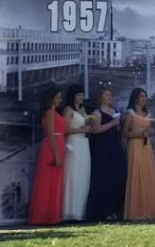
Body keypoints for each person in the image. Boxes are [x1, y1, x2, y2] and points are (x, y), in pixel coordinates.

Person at [86, 87, 126, 221]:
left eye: (111, 95)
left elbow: (118, 130)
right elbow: (95, 130)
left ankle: (113, 209)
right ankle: (103, 211)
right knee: (104, 179)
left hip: (115, 147)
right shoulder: (97, 113)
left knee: (117, 177)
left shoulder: (114, 111)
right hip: (103, 149)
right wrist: (112, 123)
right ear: (100, 98)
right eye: (107, 95)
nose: (110, 97)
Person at [122, 87, 155, 220]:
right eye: (141, 96)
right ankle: (136, 210)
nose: (144, 99)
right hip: (135, 145)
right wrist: (139, 134)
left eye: (145, 96)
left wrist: (149, 132)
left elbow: (151, 130)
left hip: (146, 146)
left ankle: (149, 209)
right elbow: (125, 133)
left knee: (147, 173)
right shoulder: (130, 113)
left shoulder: (147, 113)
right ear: (135, 98)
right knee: (136, 173)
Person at [28, 87, 65, 225]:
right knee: (47, 182)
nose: (60, 100)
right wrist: (56, 155)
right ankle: (43, 215)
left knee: (56, 181)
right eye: (58, 97)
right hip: (52, 148)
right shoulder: (49, 113)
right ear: (52, 98)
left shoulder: (55, 113)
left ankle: (52, 215)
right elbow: (50, 134)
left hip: (59, 145)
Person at [62, 84, 91, 221]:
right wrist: (81, 130)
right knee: (72, 175)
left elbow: (86, 126)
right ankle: (69, 211)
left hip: (84, 143)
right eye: (78, 95)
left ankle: (80, 211)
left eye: (82, 95)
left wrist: (88, 128)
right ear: (73, 96)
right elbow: (65, 129)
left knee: (83, 175)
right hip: (73, 143)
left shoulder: (83, 110)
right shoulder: (68, 110)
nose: (81, 97)